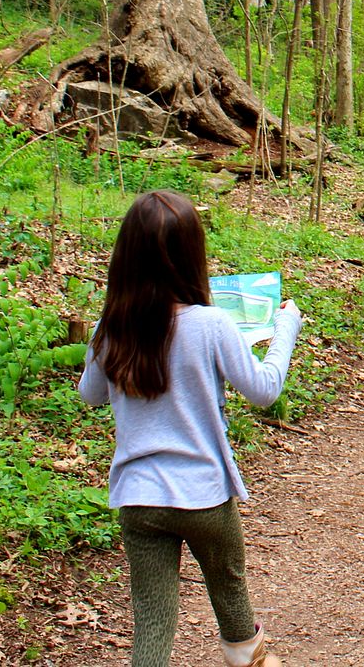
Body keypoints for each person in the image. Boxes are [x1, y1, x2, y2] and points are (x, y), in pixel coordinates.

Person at [80, 190, 303, 667]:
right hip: (204, 495)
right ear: (191, 256)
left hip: (139, 498)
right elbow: (264, 390)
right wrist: (286, 327)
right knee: (232, 606)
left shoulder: (112, 328)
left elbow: (90, 394)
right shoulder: (212, 323)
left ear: (126, 258)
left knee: (153, 625)